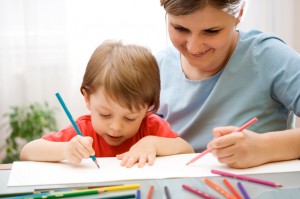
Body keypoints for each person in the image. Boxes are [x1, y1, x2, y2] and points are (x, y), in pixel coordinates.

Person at [156, 0, 300, 168]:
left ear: (239, 13)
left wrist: (264, 147)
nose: (193, 47)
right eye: (180, 28)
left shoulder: (267, 56)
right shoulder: (158, 66)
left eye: (211, 31)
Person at [20, 40, 194, 168]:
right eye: (105, 114)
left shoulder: (150, 127)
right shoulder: (83, 131)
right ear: (87, 98)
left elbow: (187, 150)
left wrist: (153, 143)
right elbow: (27, 152)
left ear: (147, 107)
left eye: (129, 118)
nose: (116, 127)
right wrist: (65, 150)